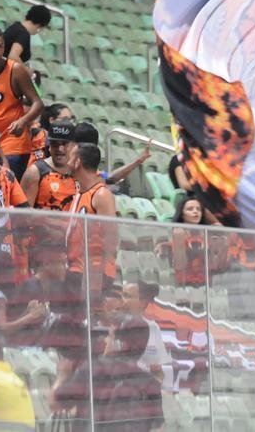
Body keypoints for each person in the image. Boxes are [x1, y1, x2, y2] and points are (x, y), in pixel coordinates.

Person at [54, 317, 164, 430]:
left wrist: (63, 374)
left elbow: (55, 404)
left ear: (119, 342)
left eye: (110, 336)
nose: (106, 340)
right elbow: (158, 427)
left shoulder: (91, 371)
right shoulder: (151, 383)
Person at [0, 24, 44, 175]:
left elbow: (38, 103)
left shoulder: (15, 70)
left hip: (12, 144)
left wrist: (23, 121)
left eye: (0, 47)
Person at [66, 143, 118, 292]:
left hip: (94, 274)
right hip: (77, 270)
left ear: (78, 163)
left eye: (71, 157)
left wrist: (97, 274)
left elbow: (112, 238)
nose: (67, 162)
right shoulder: (80, 193)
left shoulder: (101, 195)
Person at [20, 119, 79, 212]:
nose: (60, 149)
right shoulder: (35, 172)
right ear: (49, 146)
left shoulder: (81, 171)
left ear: (75, 145)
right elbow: (21, 214)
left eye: (64, 143)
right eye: (55, 144)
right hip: (40, 226)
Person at [122, 281, 173, 388]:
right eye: (121, 295)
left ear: (142, 303)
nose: (121, 300)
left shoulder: (153, 328)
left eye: (126, 296)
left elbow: (159, 370)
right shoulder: (116, 327)